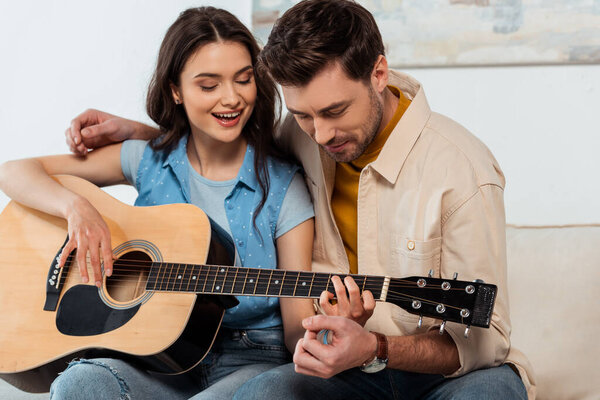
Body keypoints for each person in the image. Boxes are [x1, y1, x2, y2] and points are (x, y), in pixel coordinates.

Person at [64, 1, 536, 399]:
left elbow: (484, 340)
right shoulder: (302, 135)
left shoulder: (464, 172)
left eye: (334, 111)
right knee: (263, 392)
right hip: (343, 371)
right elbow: (233, 158)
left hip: (434, 373)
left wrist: (375, 346)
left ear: (378, 73)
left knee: (492, 390)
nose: (322, 134)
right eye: (304, 115)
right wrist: (152, 138)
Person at [0, 7, 316, 400]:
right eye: (208, 85)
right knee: (77, 384)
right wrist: (76, 208)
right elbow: (13, 172)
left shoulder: (284, 185)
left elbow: (296, 327)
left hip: (252, 359)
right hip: (155, 359)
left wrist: (329, 329)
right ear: (175, 90)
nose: (231, 97)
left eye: (244, 79)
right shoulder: (148, 159)